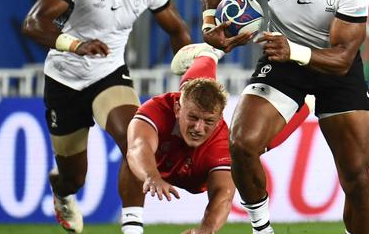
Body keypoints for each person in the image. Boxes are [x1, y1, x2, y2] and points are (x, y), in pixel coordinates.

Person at [201, 0, 369, 234]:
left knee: (356, 177)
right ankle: (262, 229)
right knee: (241, 143)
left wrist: (294, 50)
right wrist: (208, 23)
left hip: (332, 66)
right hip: (282, 62)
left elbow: (343, 56)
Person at [21, 0, 192, 234]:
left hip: (108, 75)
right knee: (74, 177)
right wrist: (76, 44)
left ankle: (132, 228)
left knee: (135, 141)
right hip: (64, 79)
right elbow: (32, 22)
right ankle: (62, 189)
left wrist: (188, 79)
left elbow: (178, 31)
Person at [127, 43, 311, 234]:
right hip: (174, 126)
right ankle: (208, 54)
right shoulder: (159, 108)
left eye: (208, 121)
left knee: (255, 145)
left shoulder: (221, 145)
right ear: (176, 109)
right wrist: (151, 176)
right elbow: (137, 147)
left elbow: (223, 194)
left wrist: (206, 230)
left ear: (219, 118)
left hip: (201, 164)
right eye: (193, 118)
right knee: (193, 90)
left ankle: (311, 99)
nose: (198, 128)